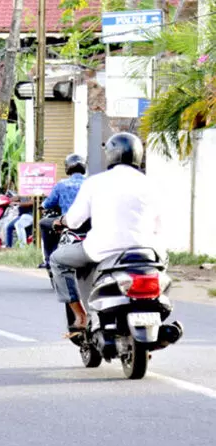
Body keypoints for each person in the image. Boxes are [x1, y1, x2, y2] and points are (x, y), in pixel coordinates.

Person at [51, 132, 163, 330]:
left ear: (111, 155)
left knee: (57, 260)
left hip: (103, 249)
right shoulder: (152, 183)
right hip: (147, 252)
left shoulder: (95, 182)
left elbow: (75, 221)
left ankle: (80, 316)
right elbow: (159, 225)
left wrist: (62, 221)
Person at [39, 154, 87, 268]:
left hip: (67, 221)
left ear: (68, 167)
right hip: (88, 223)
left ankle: (48, 259)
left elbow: (48, 203)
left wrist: (42, 206)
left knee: (43, 223)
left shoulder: (62, 184)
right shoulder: (91, 182)